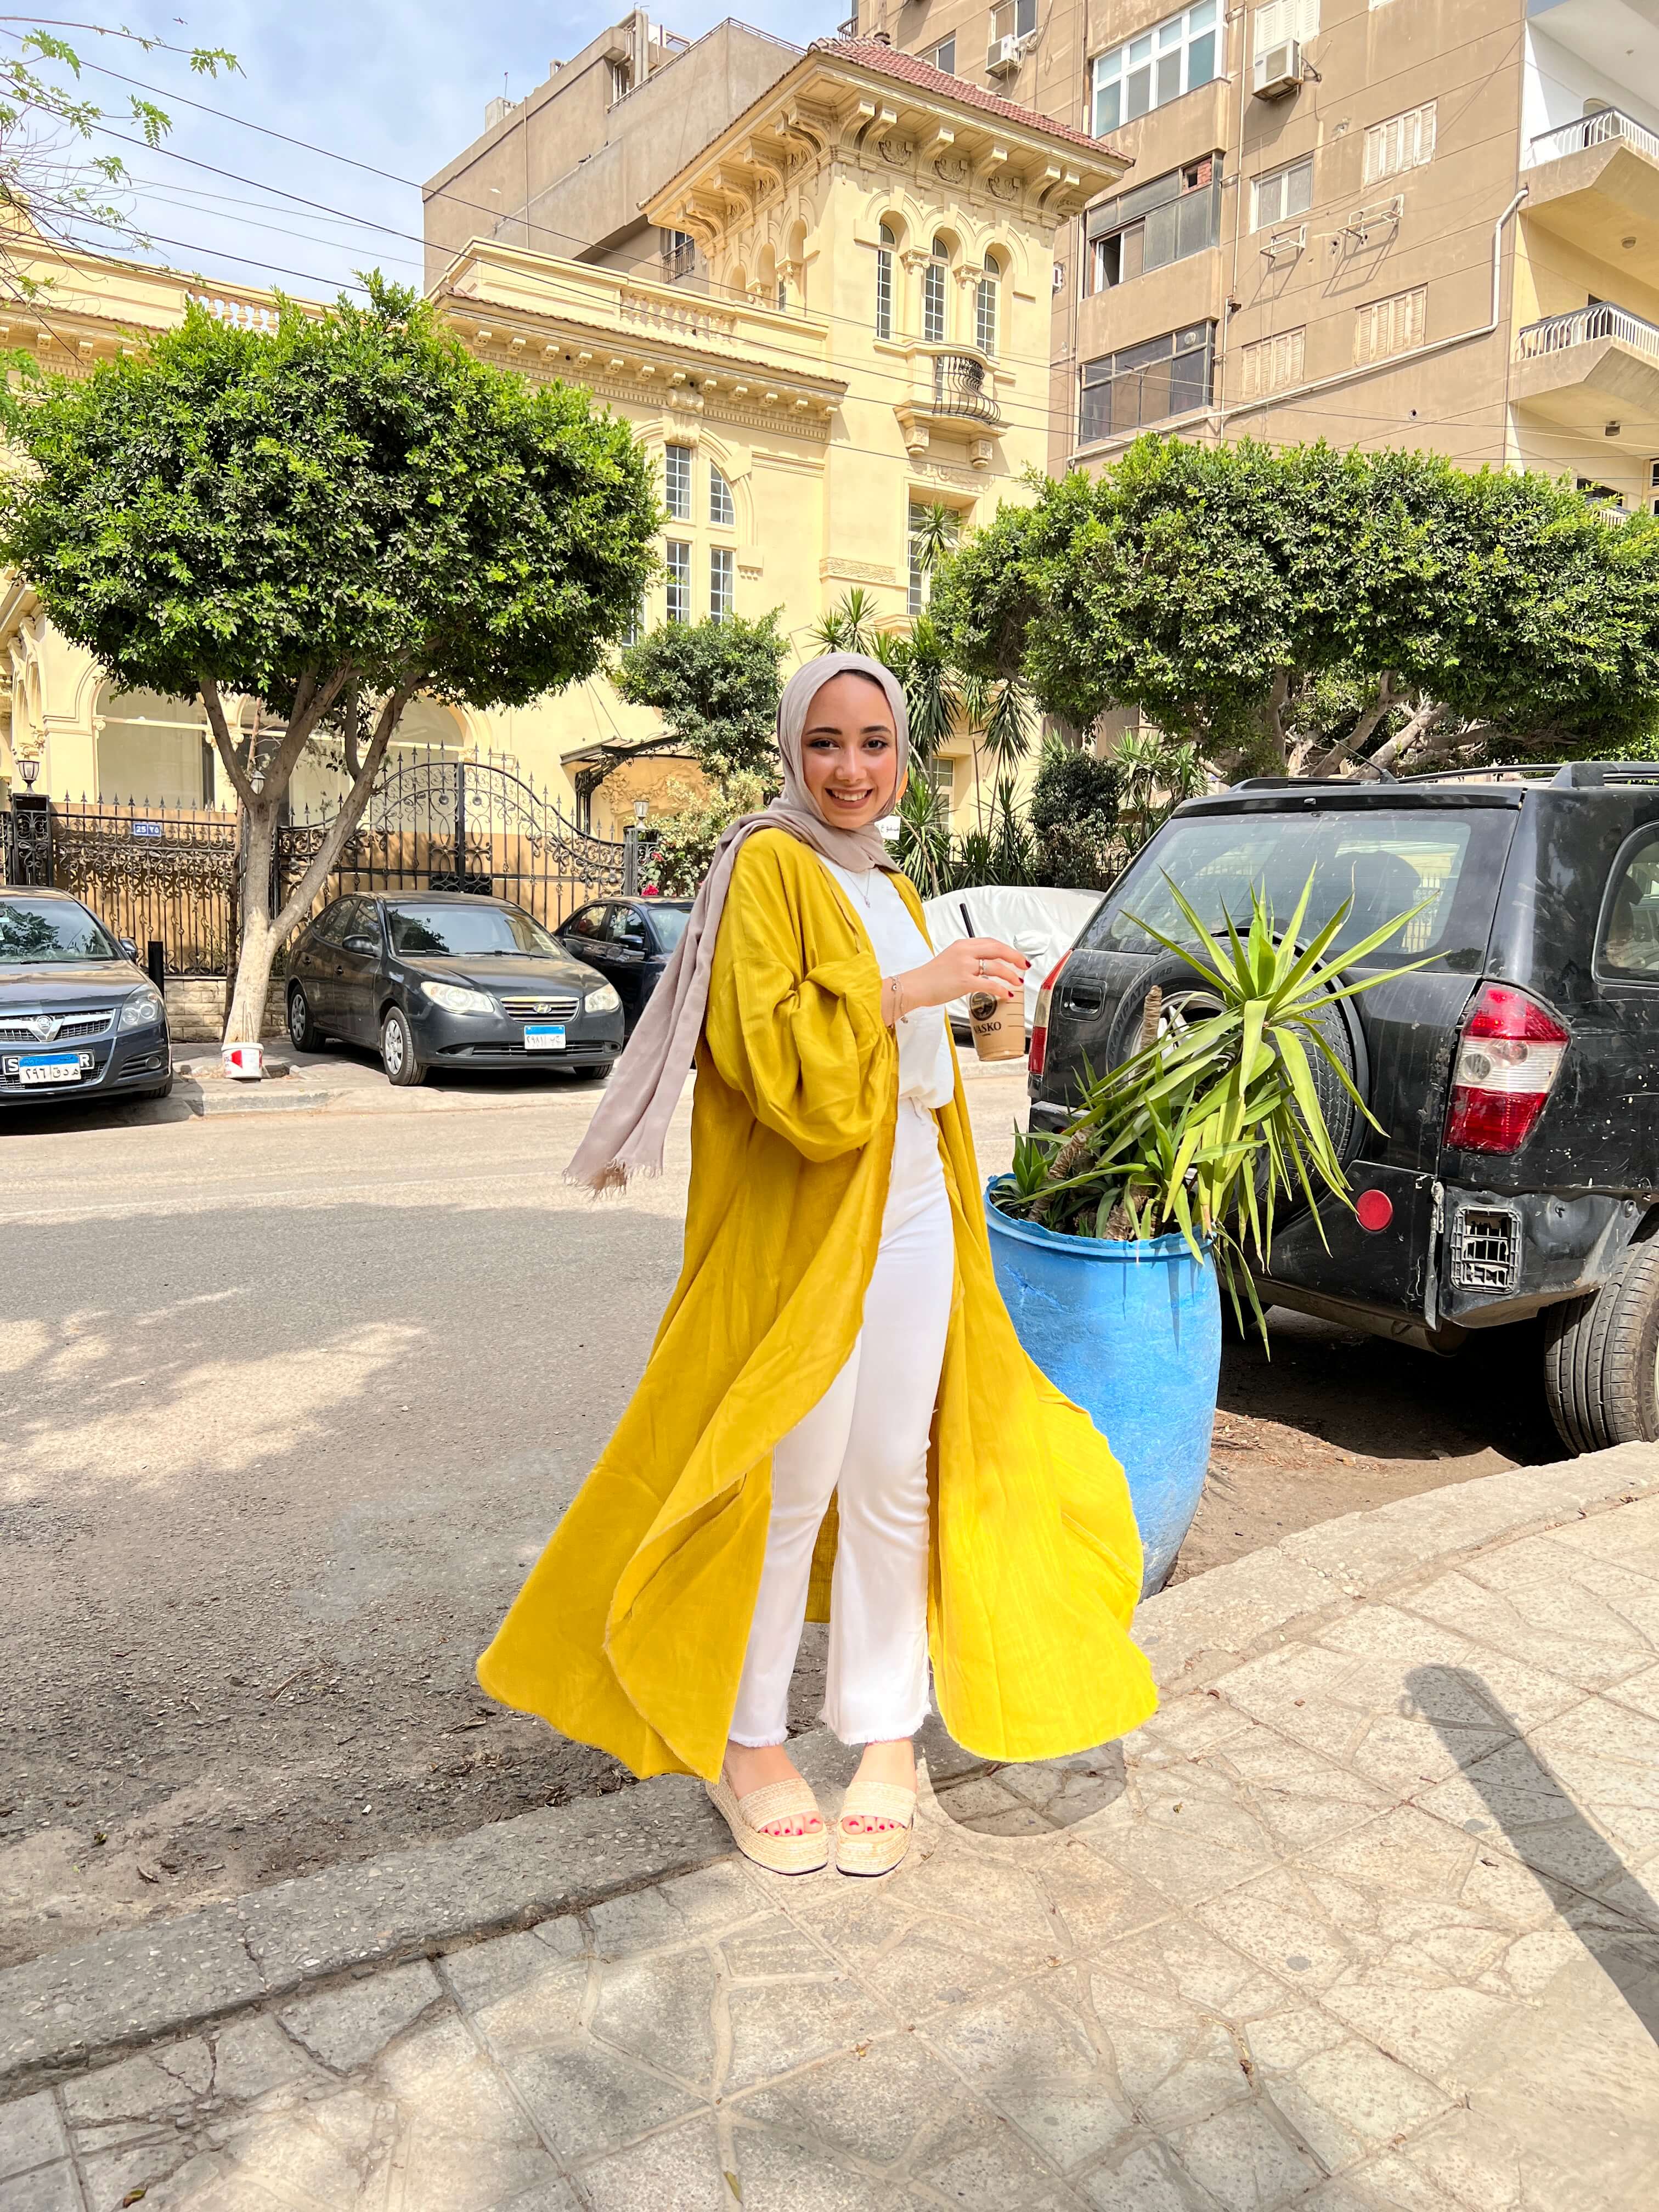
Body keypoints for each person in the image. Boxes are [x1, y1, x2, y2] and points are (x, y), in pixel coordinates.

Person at [478, 652, 1155, 1878]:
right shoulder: (764, 866)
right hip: (808, 1225)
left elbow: (925, 1067)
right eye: (828, 742)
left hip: (913, 1214)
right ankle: (750, 1746)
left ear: (903, 755)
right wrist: (916, 988)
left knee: (896, 1474)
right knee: (782, 1482)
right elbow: (771, 1056)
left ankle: (885, 1734)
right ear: (792, 748)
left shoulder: (889, 878)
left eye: (876, 743)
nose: (851, 768)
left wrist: (962, 1003)